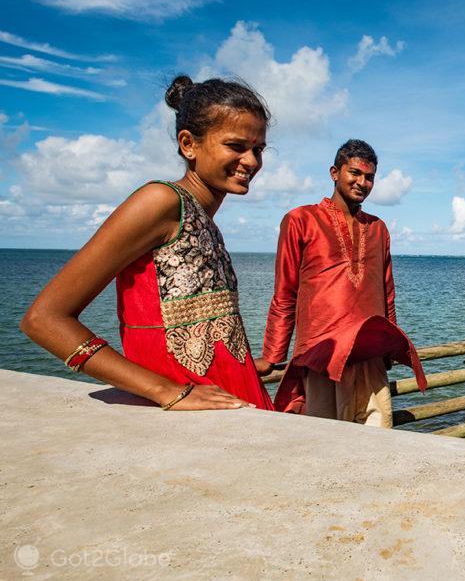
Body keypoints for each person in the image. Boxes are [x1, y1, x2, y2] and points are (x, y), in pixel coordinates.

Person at [20, 75, 276, 411]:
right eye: (236, 146)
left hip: (226, 393)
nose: (252, 161)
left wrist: (237, 358)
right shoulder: (160, 200)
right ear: (189, 144)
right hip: (185, 410)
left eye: (258, 149)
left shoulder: (204, 219)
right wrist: (166, 391)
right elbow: (44, 319)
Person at [260, 139, 426, 424]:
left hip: (369, 356)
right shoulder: (301, 220)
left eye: (369, 177)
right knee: (324, 443)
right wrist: (273, 355)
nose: (362, 182)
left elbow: (387, 294)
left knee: (377, 436)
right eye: (355, 173)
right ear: (334, 172)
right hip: (321, 354)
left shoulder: (378, 228)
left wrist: (390, 347)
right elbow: (285, 292)